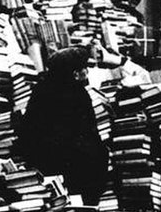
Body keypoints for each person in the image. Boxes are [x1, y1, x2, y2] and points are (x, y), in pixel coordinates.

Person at [15, 46, 109, 202]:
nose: (86, 72)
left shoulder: (41, 90)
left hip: (48, 159)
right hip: (64, 159)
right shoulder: (78, 94)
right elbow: (89, 132)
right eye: (82, 69)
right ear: (73, 73)